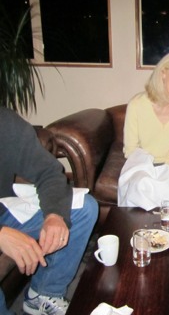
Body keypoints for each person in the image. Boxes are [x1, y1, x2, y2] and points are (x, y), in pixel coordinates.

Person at [0, 107, 98, 315]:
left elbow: (48, 171)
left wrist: (55, 215)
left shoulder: (5, 122)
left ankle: (43, 294)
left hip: (4, 211)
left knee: (85, 208)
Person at [123, 51, 169, 206]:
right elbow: (131, 150)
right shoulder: (136, 105)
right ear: (163, 73)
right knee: (141, 184)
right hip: (142, 163)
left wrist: (162, 172)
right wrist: (150, 171)